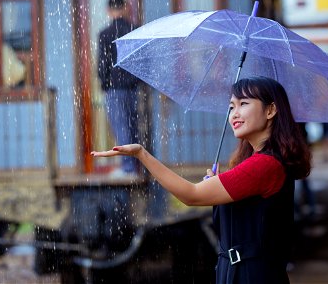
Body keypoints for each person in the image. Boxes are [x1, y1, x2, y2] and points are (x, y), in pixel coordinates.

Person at [91, 76, 311, 283]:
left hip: (253, 275)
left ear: (271, 109)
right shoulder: (254, 162)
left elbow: (192, 195)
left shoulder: (265, 165)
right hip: (235, 271)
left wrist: (141, 154)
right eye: (231, 106)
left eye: (244, 103)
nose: (234, 113)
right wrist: (217, 187)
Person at [97, 0, 139, 177]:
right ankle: (137, 166)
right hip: (133, 89)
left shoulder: (105, 33)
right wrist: (135, 82)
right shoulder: (134, 30)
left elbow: (102, 64)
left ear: (108, 10)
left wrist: (104, 83)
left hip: (114, 89)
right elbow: (140, 61)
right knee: (133, 127)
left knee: (121, 127)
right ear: (125, 8)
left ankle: (128, 168)